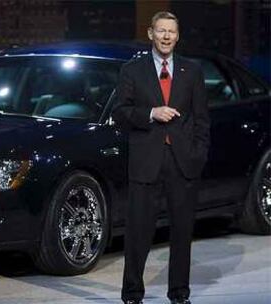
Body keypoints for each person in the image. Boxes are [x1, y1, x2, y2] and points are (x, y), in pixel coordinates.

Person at [112, 11, 210, 304]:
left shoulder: (192, 71)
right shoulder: (132, 70)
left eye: (172, 31)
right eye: (161, 30)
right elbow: (120, 113)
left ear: (177, 36)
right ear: (150, 34)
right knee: (138, 233)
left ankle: (179, 293)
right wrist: (151, 114)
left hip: (183, 162)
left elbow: (202, 119)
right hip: (146, 162)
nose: (166, 36)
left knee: (182, 233)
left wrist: (198, 155)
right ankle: (132, 294)